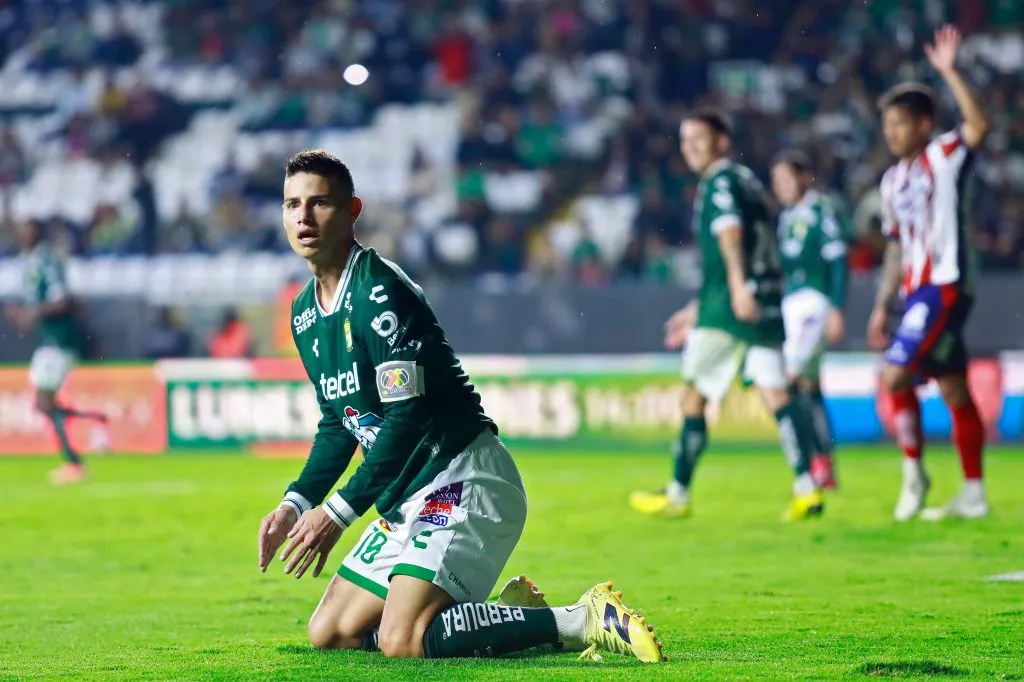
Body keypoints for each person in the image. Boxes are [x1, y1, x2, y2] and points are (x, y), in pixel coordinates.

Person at [256, 149, 666, 663]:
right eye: (292, 205)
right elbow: (340, 422)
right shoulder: (303, 314)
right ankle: (502, 613)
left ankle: (581, 618)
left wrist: (336, 513)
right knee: (331, 631)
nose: (304, 218)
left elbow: (407, 419)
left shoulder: (380, 291)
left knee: (401, 639)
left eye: (320, 203)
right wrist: (294, 504)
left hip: (461, 477)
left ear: (352, 210)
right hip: (406, 495)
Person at [629, 111, 823, 522]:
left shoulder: (719, 182)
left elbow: (730, 234)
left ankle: (678, 493)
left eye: (699, 137)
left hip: (733, 306)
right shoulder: (748, 182)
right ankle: (807, 487)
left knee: (693, 396)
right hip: (765, 299)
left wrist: (734, 287)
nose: (690, 147)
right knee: (776, 393)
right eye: (684, 140)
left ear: (722, 140)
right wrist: (701, 303)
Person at [867, 26, 990, 522]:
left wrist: (948, 72)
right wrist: (881, 302)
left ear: (923, 124)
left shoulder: (942, 156)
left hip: (945, 284)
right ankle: (974, 493)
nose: (891, 132)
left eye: (900, 123)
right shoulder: (891, 181)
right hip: (916, 292)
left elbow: (978, 125)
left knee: (895, 375)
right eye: (887, 125)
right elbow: (895, 245)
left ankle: (914, 473)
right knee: (954, 387)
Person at [4, 220, 107, 483]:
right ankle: (94, 421)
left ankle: (74, 463)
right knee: (43, 404)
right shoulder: (30, 262)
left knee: (44, 402)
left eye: (27, 228)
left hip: (59, 341)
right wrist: (25, 317)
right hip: (48, 341)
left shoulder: (47, 260)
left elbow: (62, 301)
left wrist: (30, 314)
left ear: (37, 231)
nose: (22, 232)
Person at [771, 151, 849, 490]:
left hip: (814, 304)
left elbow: (838, 260)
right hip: (791, 303)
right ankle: (824, 466)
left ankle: (807, 463)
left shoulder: (821, 210)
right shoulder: (787, 218)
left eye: (786, 179)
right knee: (810, 386)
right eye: (777, 182)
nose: (781, 187)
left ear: (804, 177)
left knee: (789, 379)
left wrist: (835, 307)